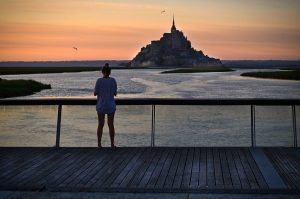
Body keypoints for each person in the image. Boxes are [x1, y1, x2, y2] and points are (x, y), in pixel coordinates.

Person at [94, 63, 117, 148]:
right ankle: (112, 144)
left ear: (102, 72)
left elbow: (95, 93)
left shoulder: (99, 81)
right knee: (111, 124)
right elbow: (115, 93)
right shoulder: (113, 80)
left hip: (101, 105)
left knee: (100, 124)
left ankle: (99, 144)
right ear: (110, 72)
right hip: (111, 105)